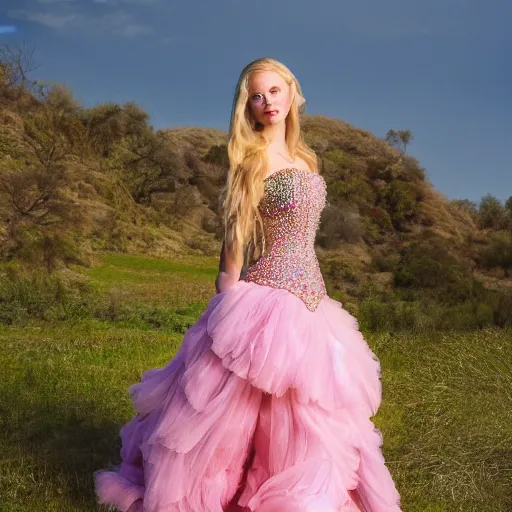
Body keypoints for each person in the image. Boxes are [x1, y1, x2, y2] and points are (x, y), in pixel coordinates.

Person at [94, 57, 402, 512]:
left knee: (310, 412)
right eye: (256, 96)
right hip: (267, 294)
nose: (267, 102)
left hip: (311, 297)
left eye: (274, 91)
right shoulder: (250, 158)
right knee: (235, 412)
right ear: (249, 107)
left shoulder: (305, 158)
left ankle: (307, 494)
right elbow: (235, 236)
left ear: (292, 92)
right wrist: (226, 301)